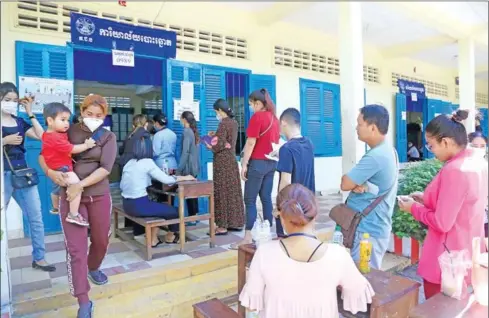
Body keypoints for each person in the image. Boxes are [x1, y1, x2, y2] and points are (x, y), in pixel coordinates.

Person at [239, 184, 374, 317]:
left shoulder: (264, 253)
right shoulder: (338, 255)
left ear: (281, 217)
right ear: (315, 215)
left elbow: (252, 304)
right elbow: (358, 295)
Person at [40, 94, 117, 318]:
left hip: (98, 195)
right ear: (81, 112)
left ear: (104, 116)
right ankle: (83, 300)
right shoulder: (68, 130)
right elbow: (44, 155)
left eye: (99, 115)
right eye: (88, 114)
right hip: (71, 197)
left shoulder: (108, 137)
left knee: (101, 240)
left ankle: (93, 267)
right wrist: (51, 173)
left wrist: (80, 185)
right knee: (76, 249)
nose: (93, 118)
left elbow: (105, 169)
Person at [398, 110, 488, 300]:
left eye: (431, 146)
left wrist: (413, 208)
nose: (431, 151)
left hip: (447, 256)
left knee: (439, 309)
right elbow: (463, 203)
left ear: (446, 142)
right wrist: (425, 198)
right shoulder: (478, 162)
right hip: (467, 251)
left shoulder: (455, 170)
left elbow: (442, 222)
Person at [1, 81, 55, 272]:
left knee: (36, 217)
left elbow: (42, 136)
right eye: (7, 99)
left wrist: (30, 111)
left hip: (23, 174)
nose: (11, 103)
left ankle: (39, 258)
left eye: (14, 100)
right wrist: (4, 141)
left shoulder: (20, 121)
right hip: (3, 176)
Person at [340, 104, 398, 270]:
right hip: (373, 227)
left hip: (367, 231)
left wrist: (354, 183)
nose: (356, 128)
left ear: (372, 128)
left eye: (359, 124)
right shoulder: (388, 150)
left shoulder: (376, 156)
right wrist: (360, 184)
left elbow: (345, 183)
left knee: (364, 280)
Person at [121, 135, 195, 246]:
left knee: (159, 206)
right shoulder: (147, 162)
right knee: (175, 211)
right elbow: (167, 180)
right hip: (139, 205)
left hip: (127, 204)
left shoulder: (129, 162)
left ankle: (154, 238)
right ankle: (170, 236)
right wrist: (185, 177)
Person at [233, 89, 280, 249]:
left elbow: (251, 142)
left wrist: (244, 164)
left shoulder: (257, 117)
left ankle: (247, 237)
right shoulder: (275, 118)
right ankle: (268, 232)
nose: (251, 107)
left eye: (252, 104)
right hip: (271, 163)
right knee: (266, 197)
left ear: (259, 103)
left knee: (250, 200)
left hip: (258, 163)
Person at [41, 103, 95, 226]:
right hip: (63, 168)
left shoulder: (47, 134)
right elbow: (72, 149)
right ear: (50, 120)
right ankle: (73, 214)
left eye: (68, 120)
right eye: (63, 120)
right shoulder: (56, 138)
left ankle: (55, 207)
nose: (67, 123)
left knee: (55, 189)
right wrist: (87, 145)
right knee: (76, 186)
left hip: (53, 167)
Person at [204, 99, 245, 235]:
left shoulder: (223, 123)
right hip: (231, 160)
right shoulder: (234, 123)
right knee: (232, 191)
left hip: (222, 161)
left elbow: (219, 144)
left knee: (221, 190)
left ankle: (222, 225)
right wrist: (214, 136)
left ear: (220, 111)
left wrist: (210, 144)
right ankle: (236, 222)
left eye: (216, 112)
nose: (216, 114)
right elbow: (226, 141)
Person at [274, 108, 315, 238]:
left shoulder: (286, 149)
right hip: (308, 203)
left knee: (287, 243)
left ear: (284, 122)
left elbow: (285, 181)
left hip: (292, 206)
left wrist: (280, 208)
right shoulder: (308, 143)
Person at [119, 114, 150, 237]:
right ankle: (139, 229)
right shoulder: (145, 135)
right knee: (140, 196)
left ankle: (129, 224)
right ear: (145, 124)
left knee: (129, 195)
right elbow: (148, 154)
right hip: (138, 169)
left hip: (126, 167)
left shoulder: (129, 135)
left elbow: (121, 150)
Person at [177, 111, 200, 218]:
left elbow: (185, 152)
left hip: (188, 168)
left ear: (184, 120)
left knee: (189, 194)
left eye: (180, 118)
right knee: (193, 194)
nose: (180, 121)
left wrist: (179, 169)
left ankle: (192, 217)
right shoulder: (193, 131)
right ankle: (195, 216)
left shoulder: (186, 131)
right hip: (194, 167)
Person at [468, 131, 488, 237]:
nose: (479, 149)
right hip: (468, 218)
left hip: (484, 217)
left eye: (483, 146)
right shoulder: (462, 166)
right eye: (475, 146)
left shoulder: (485, 165)